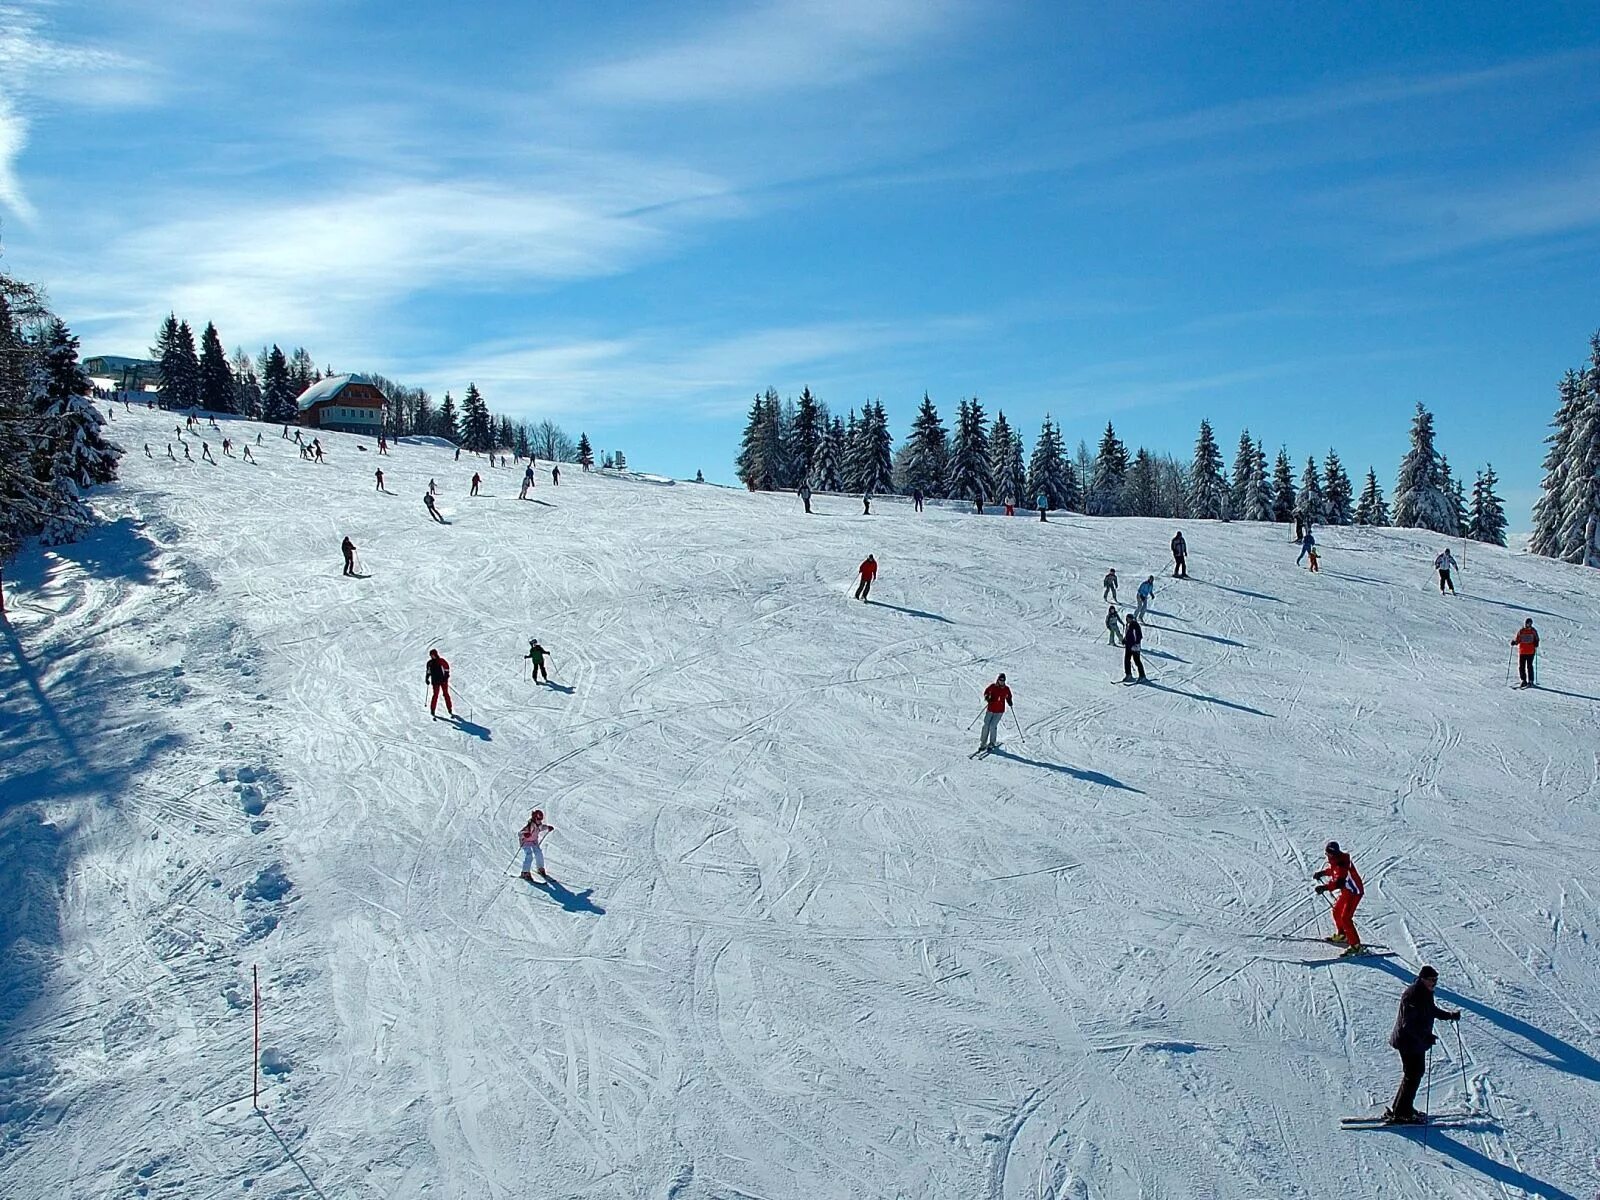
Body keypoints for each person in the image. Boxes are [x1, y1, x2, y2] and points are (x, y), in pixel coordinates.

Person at [1385, 966, 1460, 1124]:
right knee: (1413, 1074)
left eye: (1436, 980)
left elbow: (1431, 1010)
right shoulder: (1412, 995)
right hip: (1407, 1041)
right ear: (1423, 978)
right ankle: (1401, 1112)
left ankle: (1403, 1108)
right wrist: (1425, 1037)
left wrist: (1449, 1016)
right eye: (1432, 980)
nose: (1434, 983)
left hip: (1415, 1042)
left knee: (1414, 1074)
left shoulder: (1425, 993)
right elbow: (1407, 1024)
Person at [1314, 841, 1365, 954]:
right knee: (1337, 911)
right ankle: (1343, 935)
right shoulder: (1338, 859)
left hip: (1354, 892)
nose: (1327, 855)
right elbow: (1333, 870)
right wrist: (1322, 873)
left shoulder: (1342, 865)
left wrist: (1324, 887)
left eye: (1328, 853)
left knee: (1346, 918)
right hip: (1347, 891)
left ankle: (1356, 946)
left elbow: (1339, 883)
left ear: (1333, 854)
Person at [978, 673, 1012, 752]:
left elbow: (1009, 696)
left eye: (1003, 680)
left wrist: (1009, 701)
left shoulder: (1006, 689)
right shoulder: (993, 687)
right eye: (1000, 680)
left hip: (999, 711)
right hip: (990, 709)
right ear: (998, 680)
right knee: (986, 725)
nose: (1002, 682)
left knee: (992, 726)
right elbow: (986, 692)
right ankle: (983, 743)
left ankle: (992, 742)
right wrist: (987, 697)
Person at [519, 809, 554, 881]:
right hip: (525, 842)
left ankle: (540, 868)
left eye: (541, 819)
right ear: (534, 818)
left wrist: (548, 827)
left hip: (534, 841)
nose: (539, 820)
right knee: (529, 855)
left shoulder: (539, 825)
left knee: (539, 853)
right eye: (538, 819)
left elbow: (542, 827)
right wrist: (525, 835)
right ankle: (525, 872)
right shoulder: (529, 826)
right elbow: (520, 833)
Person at [425, 649, 454, 718]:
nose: (432, 656)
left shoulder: (441, 661)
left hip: (443, 681)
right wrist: (427, 678)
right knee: (435, 695)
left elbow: (447, 668)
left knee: (446, 694)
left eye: (433, 655)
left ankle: (449, 709)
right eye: (431, 655)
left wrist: (446, 677)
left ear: (436, 654)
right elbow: (428, 671)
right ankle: (432, 709)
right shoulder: (429, 663)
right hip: (435, 681)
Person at [1511, 619, 1538, 688]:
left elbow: (1537, 639)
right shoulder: (1521, 631)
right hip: (1522, 651)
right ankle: (1523, 680)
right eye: (1527, 623)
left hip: (1530, 652)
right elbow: (1518, 640)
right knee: (1521, 666)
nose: (1528, 625)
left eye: (1529, 623)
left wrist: (1536, 643)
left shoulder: (1533, 631)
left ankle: (1531, 680)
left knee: (1529, 666)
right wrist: (1514, 642)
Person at [1122, 613, 1146, 681]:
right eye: (1127, 618)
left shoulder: (1135, 625)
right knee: (1127, 660)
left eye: (1129, 618)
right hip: (1128, 646)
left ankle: (1142, 676)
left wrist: (1134, 643)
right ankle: (1128, 674)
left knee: (1137, 661)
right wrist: (1124, 639)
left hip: (1134, 646)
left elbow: (1138, 636)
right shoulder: (1128, 625)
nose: (1127, 620)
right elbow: (1128, 634)